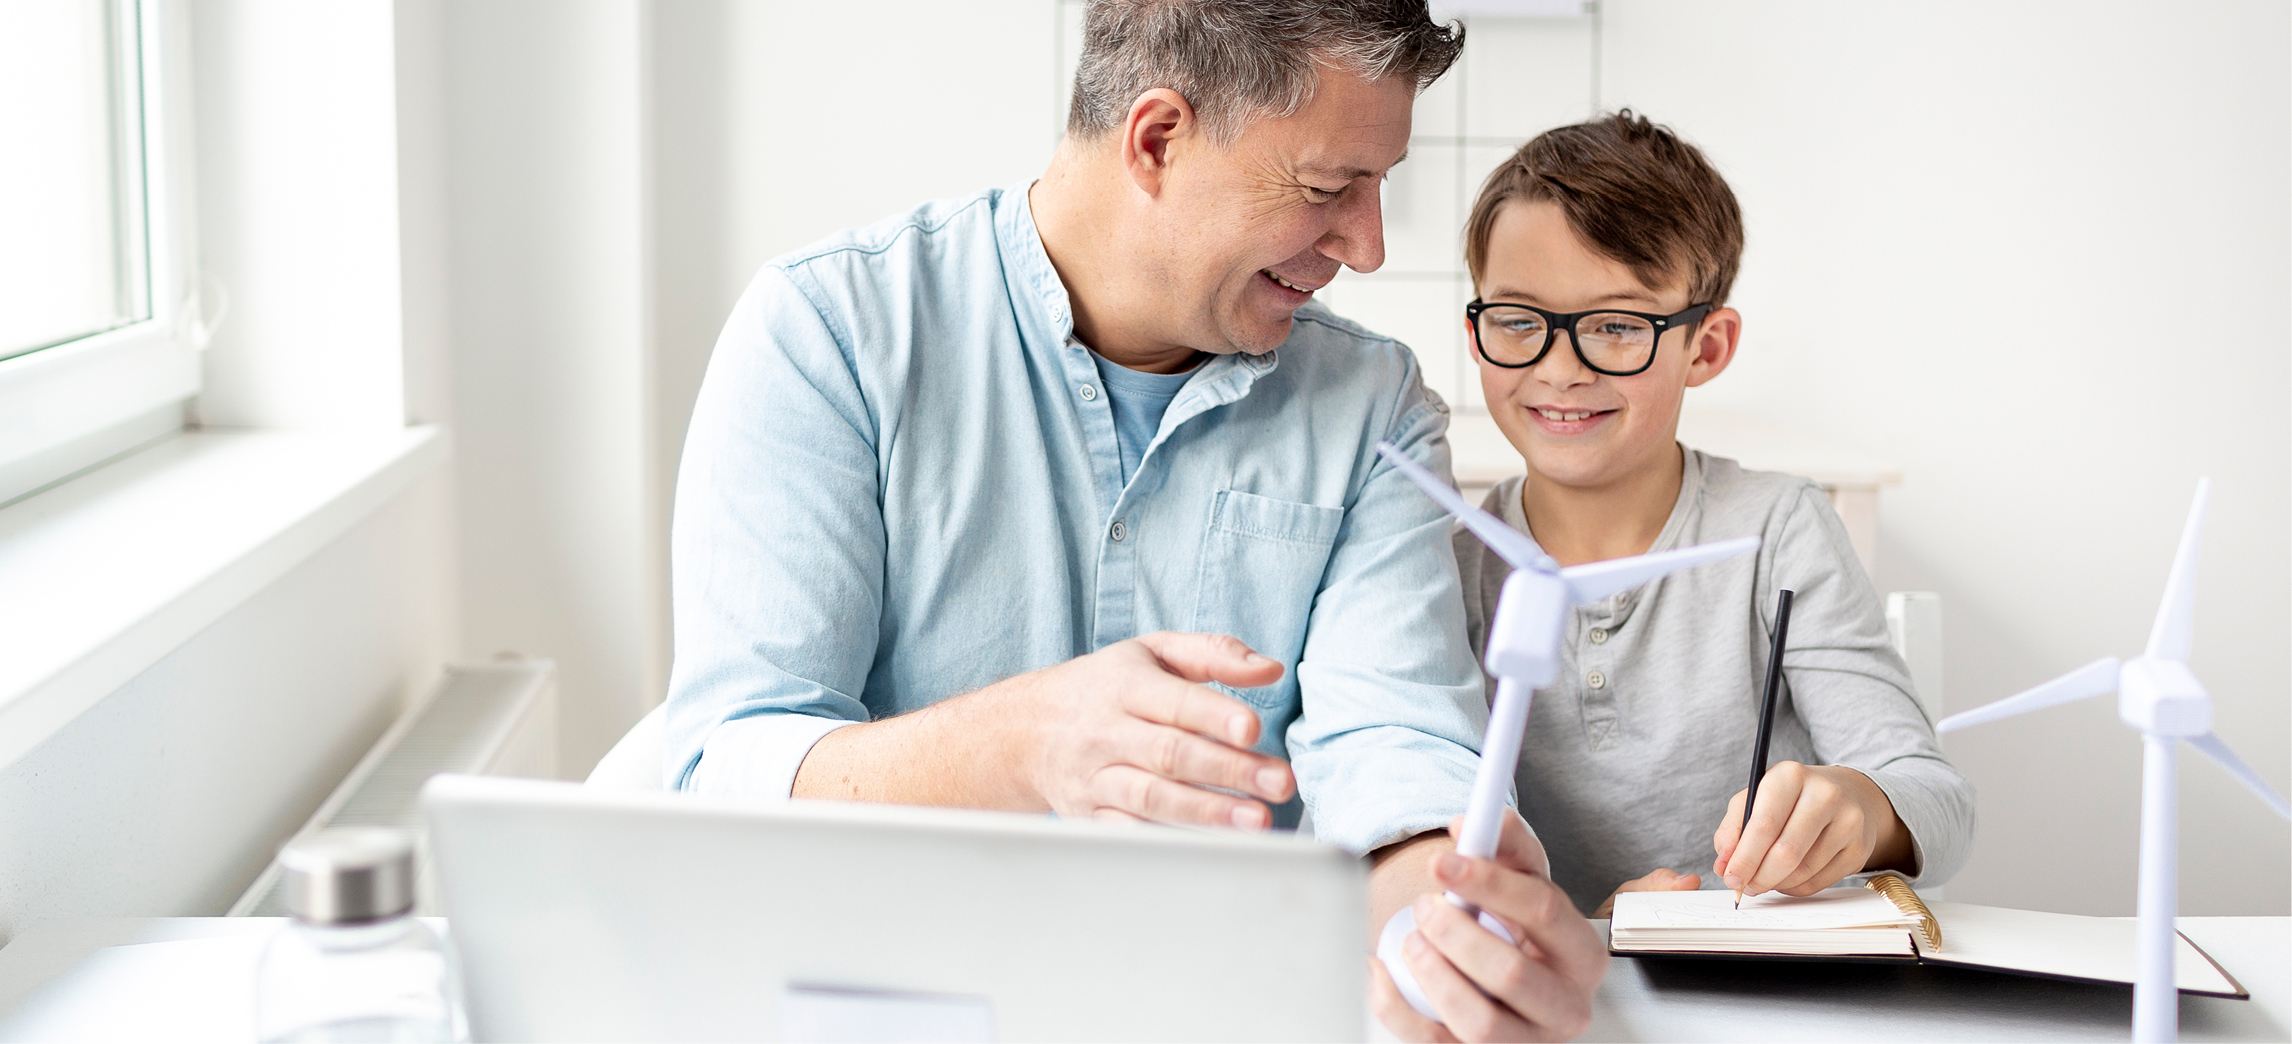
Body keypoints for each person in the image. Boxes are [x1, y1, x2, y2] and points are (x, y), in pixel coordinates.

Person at [665, 3, 1604, 1040]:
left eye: (1379, 189)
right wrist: (1024, 743)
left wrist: (1447, 926)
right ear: (1157, 139)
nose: (1368, 247)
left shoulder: (1371, 407)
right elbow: (726, 771)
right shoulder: (831, 335)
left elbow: (1394, 749)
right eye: (1332, 190)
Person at [1444, 112, 1977, 922]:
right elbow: (1431, 852)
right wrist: (1589, 926)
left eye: (1618, 326)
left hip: (1768, 978)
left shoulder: (1778, 531)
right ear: (1477, 334)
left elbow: (1937, 799)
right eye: (1518, 320)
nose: (1559, 368)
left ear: (1708, 348)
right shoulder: (1447, 570)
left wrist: (1862, 809)